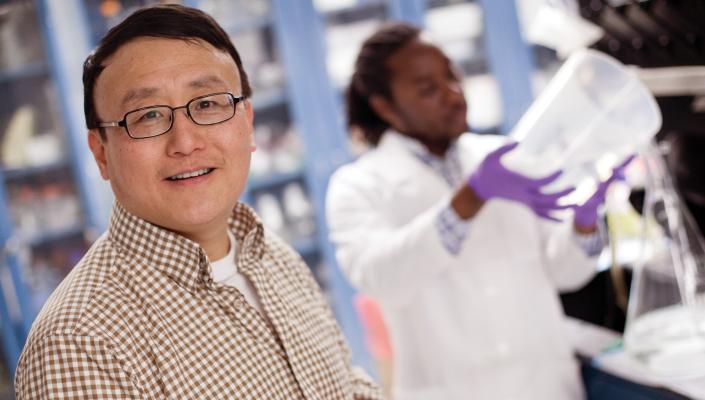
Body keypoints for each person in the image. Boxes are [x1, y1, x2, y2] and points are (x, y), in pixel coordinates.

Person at [14, 5, 382, 399]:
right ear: (101, 152)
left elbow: (344, 385)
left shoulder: (269, 256)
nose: (186, 142)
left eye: (207, 104)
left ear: (247, 122)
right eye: (148, 115)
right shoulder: (78, 344)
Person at [326, 22, 629, 400]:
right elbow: (381, 276)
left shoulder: (505, 157)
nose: (453, 94)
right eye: (428, 89)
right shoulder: (356, 186)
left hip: (545, 386)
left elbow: (565, 273)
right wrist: (472, 196)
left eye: (452, 77)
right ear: (384, 106)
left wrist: (584, 222)